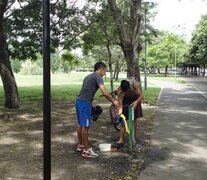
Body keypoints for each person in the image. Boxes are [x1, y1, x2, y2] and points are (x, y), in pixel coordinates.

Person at [75, 62, 118, 158]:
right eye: (105, 71)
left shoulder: (88, 76)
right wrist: (113, 101)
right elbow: (105, 93)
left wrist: (90, 104)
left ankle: (81, 145)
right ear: (101, 69)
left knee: (80, 124)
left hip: (80, 101)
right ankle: (86, 150)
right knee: (85, 126)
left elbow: (86, 91)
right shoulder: (97, 76)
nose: (105, 73)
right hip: (84, 103)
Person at [115, 78, 143, 148]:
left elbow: (141, 96)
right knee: (123, 119)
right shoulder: (120, 90)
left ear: (129, 88)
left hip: (135, 98)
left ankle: (133, 138)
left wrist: (136, 102)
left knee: (134, 119)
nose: (125, 93)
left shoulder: (134, 84)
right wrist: (119, 114)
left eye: (126, 91)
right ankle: (121, 139)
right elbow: (121, 105)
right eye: (124, 92)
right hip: (126, 100)